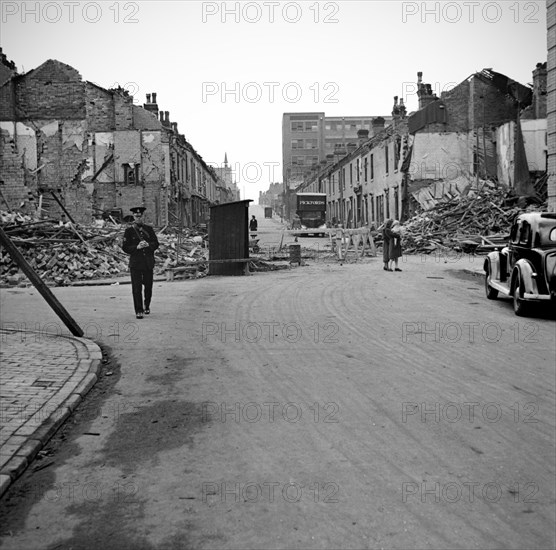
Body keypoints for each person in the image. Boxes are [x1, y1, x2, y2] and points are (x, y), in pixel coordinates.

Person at [122, 206, 159, 319]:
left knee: (148, 287)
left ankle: (146, 305)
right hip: (136, 263)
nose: (138, 218)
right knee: (136, 288)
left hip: (148, 263)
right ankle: (139, 310)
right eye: (136, 216)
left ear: (143, 216)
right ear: (133, 216)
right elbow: (125, 247)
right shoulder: (129, 231)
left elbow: (156, 243)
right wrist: (136, 247)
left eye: (140, 216)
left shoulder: (149, 229)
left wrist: (149, 245)